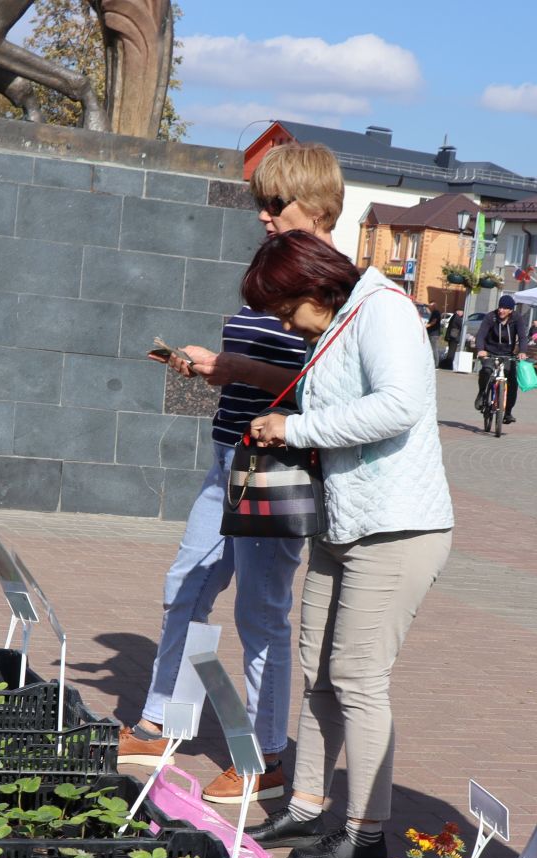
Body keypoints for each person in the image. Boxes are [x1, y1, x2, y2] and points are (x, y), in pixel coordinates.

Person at [118, 141, 346, 804]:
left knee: (262, 612)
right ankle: (163, 722)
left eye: (276, 205)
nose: (264, 217)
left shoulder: (337, 284)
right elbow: (263, 370)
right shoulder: (278, 269)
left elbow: (329, 387)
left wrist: (235, 369)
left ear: (317, 206)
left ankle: (265, 756)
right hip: (230, 457)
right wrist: (211, 367)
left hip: (277, 463)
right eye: (261, 205)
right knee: (186, 583)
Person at [240, 230, 454, 858]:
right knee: (318, 671)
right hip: (344, 523)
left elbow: (397, 406)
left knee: (358, 679)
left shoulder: (382, 310)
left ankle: (366, 831)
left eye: (285, 309)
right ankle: (307, 805)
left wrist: (295, 426)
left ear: (314, 284)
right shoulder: (339, 321)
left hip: (397, 526)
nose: (286, 323)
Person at [473, 295, 528, 429]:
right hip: (490, 352)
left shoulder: (517, 319)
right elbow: (481, 334)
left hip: (508, 354)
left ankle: (508, 412)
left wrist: (522, 351)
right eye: (500, 307)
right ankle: (481, 393)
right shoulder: (490, 317)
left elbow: (522, 336)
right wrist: (480, 349)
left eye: (505, 308)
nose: (501, 310)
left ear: (511, 310)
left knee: (513, 383)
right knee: (486, 371)